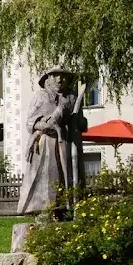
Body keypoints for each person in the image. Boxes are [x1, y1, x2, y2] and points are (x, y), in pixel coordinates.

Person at [16, 67, 86, 216]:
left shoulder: (72, 97)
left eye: (63, 77)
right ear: (48, 79)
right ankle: (44, 210)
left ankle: (67, 207)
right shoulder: (41, 96)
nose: (60, 79)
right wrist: (45, 125)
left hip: (66, 142)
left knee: (65, 176)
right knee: (46, 175)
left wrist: (79, 121)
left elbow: (81, 122)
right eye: (55, 76)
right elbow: (30, 122)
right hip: (45, 142)